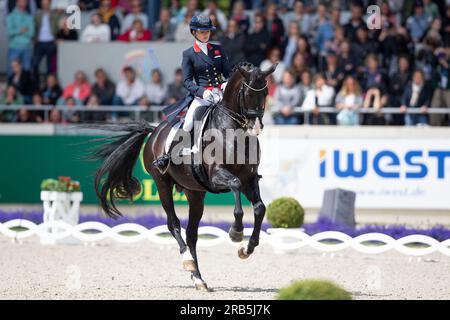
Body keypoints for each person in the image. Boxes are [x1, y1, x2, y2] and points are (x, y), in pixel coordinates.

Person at [153, 14, 231, 170]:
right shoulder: (188, 54)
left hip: (220, 93)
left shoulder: (218, 49)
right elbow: (187, 81)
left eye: (208, 31)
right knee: (188, 122)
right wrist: (202, 92)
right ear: (194, 32)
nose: (206, 34)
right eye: (202, 31)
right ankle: (169, 155)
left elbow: (227, 73)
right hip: (202, 96)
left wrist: (225, 84)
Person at [6, 0, 35, 74]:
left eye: (25, 1)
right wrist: (21, 30)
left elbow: (31, 33)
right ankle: (11, 86)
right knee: (11, 72)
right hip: (14, 47)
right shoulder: (10, 16)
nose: (23, 3)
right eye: (21, 1)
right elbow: (9, 32)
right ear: (17, 2)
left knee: (26, 72)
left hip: (26, 47)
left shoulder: (29, 17)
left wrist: (16, 31)